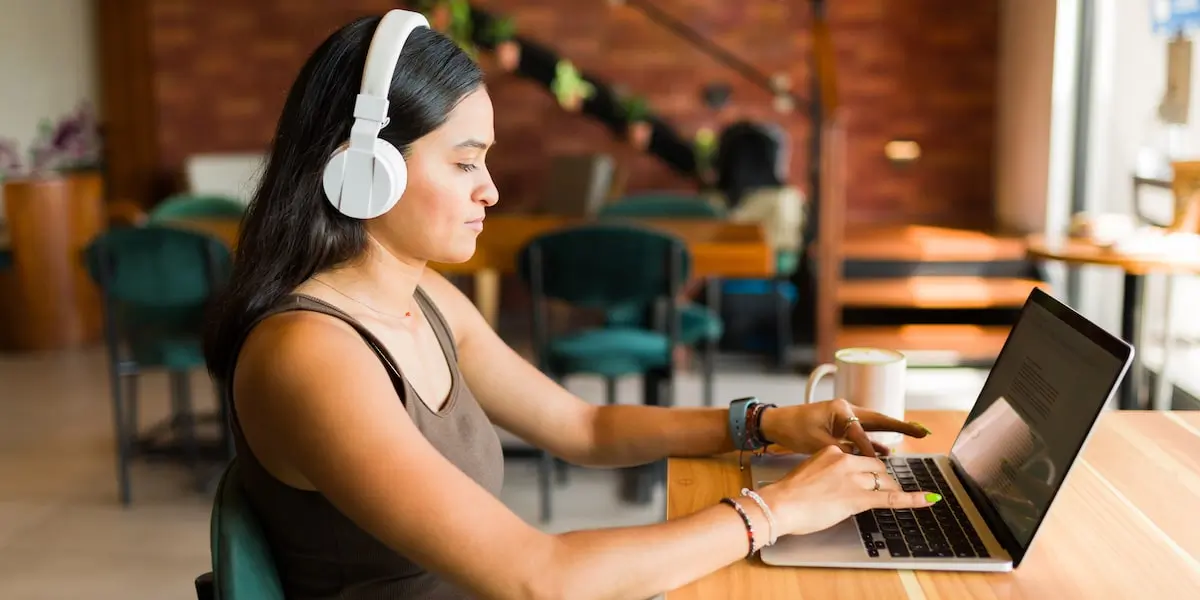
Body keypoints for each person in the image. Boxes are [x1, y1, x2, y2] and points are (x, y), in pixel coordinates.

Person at [203, 11, 940, 600]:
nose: (489, 189)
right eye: (464, 163)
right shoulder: (310, 355)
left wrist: (761, 423)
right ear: (363, 169)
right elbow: (539, 579)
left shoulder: (422, 296)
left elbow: (583, 426)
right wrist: (778, 513)